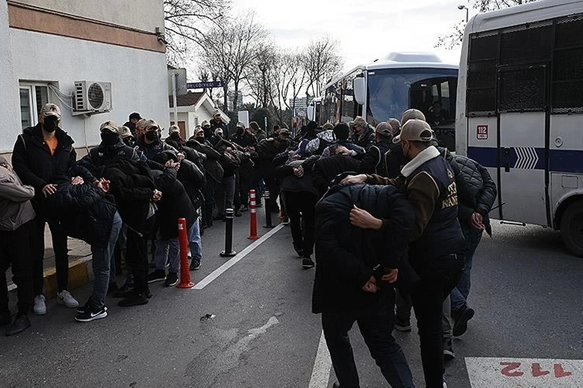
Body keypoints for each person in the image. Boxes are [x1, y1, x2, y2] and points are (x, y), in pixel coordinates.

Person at [342, 119, 465, 388]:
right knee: (431, 323)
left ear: (408, 144)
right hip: (453, 252)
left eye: (403, 146)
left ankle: (435, 382)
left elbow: (412, 229)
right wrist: (366, 177)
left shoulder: (423, 177)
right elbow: (397, 183)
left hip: (434, 260)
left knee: (429, 329)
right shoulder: (437, 164)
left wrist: (374, 223)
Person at [313, 178, 416, 388]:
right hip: (379, 284)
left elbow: (327, 248)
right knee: (384, 345)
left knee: (337, 339)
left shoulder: (329, 204)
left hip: (341, 288)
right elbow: (403, 226)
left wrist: (361, 276)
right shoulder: (390, 196)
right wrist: (391, 264)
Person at [12, 103, 80, 315]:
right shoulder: (25, 140)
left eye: (56, 119)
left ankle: (63, 290)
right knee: (37, 249)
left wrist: (76, 177)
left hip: (59, 202)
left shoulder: (66, 142)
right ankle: (38, 294)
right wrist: (40, 184)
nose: (52, 122)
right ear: (41, 117)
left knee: (61, 247)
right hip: (36, 201)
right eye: (48, 117)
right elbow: (20, 167)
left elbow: (71, 167)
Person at [0, 157, 35, 336]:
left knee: (22, 271)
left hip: (17, 225)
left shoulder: (2, 179)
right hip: (5, 225)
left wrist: (29, 187)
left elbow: (26, 194)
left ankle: (23, 315)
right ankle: (4, 313)